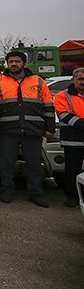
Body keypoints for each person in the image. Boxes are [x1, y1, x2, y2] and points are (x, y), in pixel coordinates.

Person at [0, 50, 55, 207]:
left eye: (17, 61)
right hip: (7, 130)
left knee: (34, 164)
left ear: (24, 63)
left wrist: (49, 128)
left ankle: (35, 193)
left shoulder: (38, 81)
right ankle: (7, 191)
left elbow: (48, 105)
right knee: (7, 163)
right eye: (11, 62)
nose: (13, 64)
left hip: (32, 130)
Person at [53, 67, 84, 208]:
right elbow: (64, 115)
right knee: (72, 170)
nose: (83, 82)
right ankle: (72, 196)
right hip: (73, 139)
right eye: (80, 79)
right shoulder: (62, 95)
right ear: (73, 80)